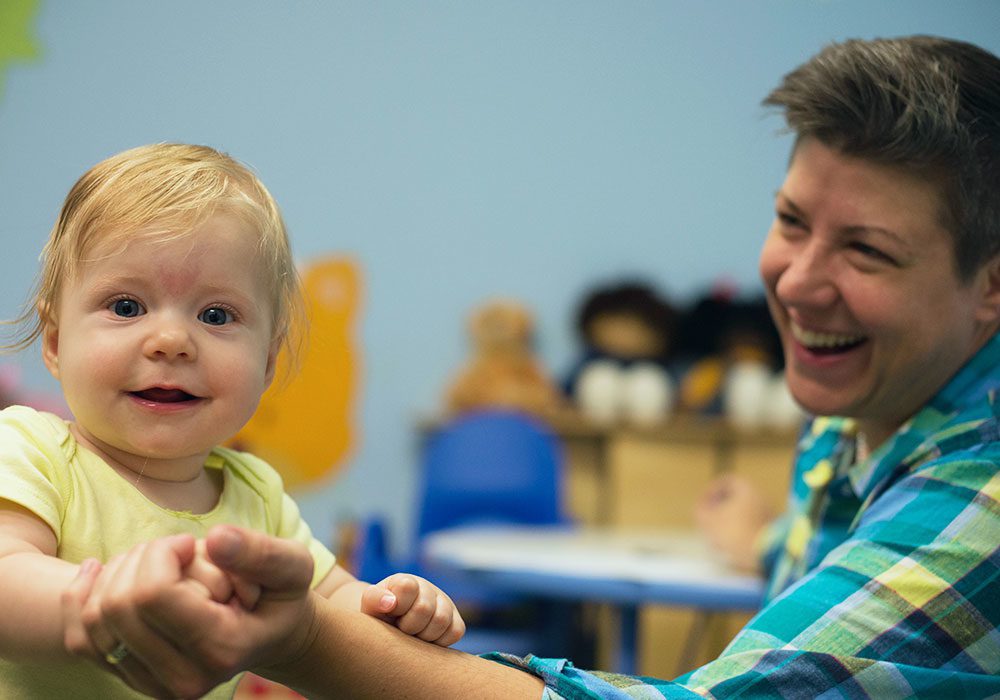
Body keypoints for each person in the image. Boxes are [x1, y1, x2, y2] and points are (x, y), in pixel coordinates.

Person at [64, 34, 1000, 698]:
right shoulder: (859, 404)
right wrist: (758, 538)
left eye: (867, 253)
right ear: (52, 335)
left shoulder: (979, 484)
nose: (797, 282)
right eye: (791, 221)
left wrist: (320, 630)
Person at [0, 143, 465, 699]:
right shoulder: (31, 451)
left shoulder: (256, 493)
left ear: (267, 364)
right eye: (126, 306)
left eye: (215, 315)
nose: (171, 341)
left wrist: (390, 604)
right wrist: (95, 606)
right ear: (55, 343)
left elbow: (332, 605)